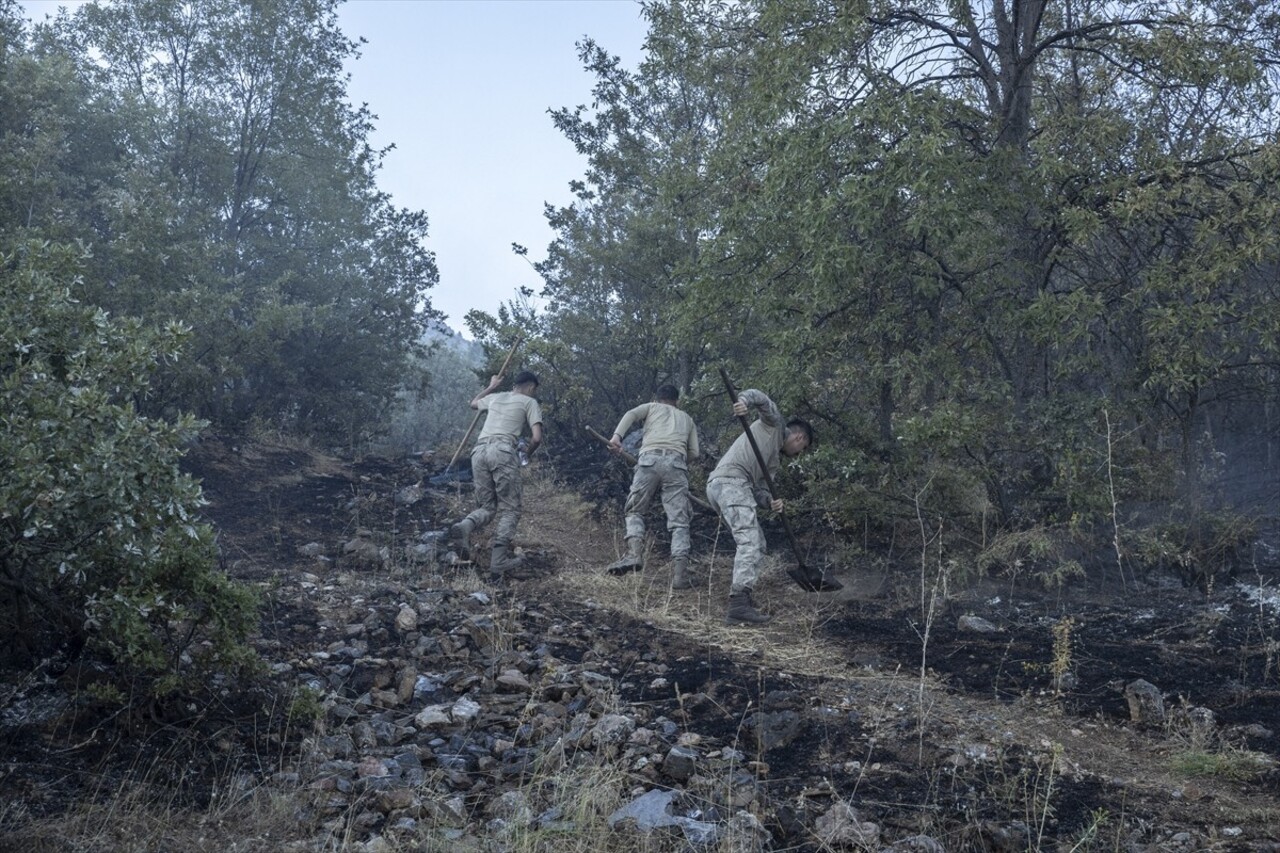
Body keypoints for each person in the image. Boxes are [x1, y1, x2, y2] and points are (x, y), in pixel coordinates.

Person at [706, 389, 814, 625]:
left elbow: (760, 490)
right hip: (730, 482)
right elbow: (760, 397)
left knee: (759, 543)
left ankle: (743, 597)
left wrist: (769, 501)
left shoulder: (773, 459)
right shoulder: (776, 424)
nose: (799, 454)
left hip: (728, 486)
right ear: (800, 438)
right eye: (802, 449)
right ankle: (738, 606)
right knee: (750, 542)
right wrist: (743, 402)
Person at [449, 370, 543, 582]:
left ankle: (464, 527)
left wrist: (491, 386)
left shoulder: (495, 397)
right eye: (534, 390)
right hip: (502, 451)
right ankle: (497, 562)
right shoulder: (530, 402)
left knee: (487, 507)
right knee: (510, 509)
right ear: (530, 387)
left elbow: (474, 403)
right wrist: (525, 455)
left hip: (479, 452)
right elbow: (537, 438)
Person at [605, 385, 701, 589]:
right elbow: (695, 453)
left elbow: (631, 414)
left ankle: (634, 555)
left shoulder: (651, 407)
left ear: (657, 399)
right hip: (677, 464)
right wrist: (677, 464)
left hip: (648, 460)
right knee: (679, 522)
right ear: (677, 401)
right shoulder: (687, 419)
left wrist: (616, 437)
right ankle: (679, 576)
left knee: (635, 510)